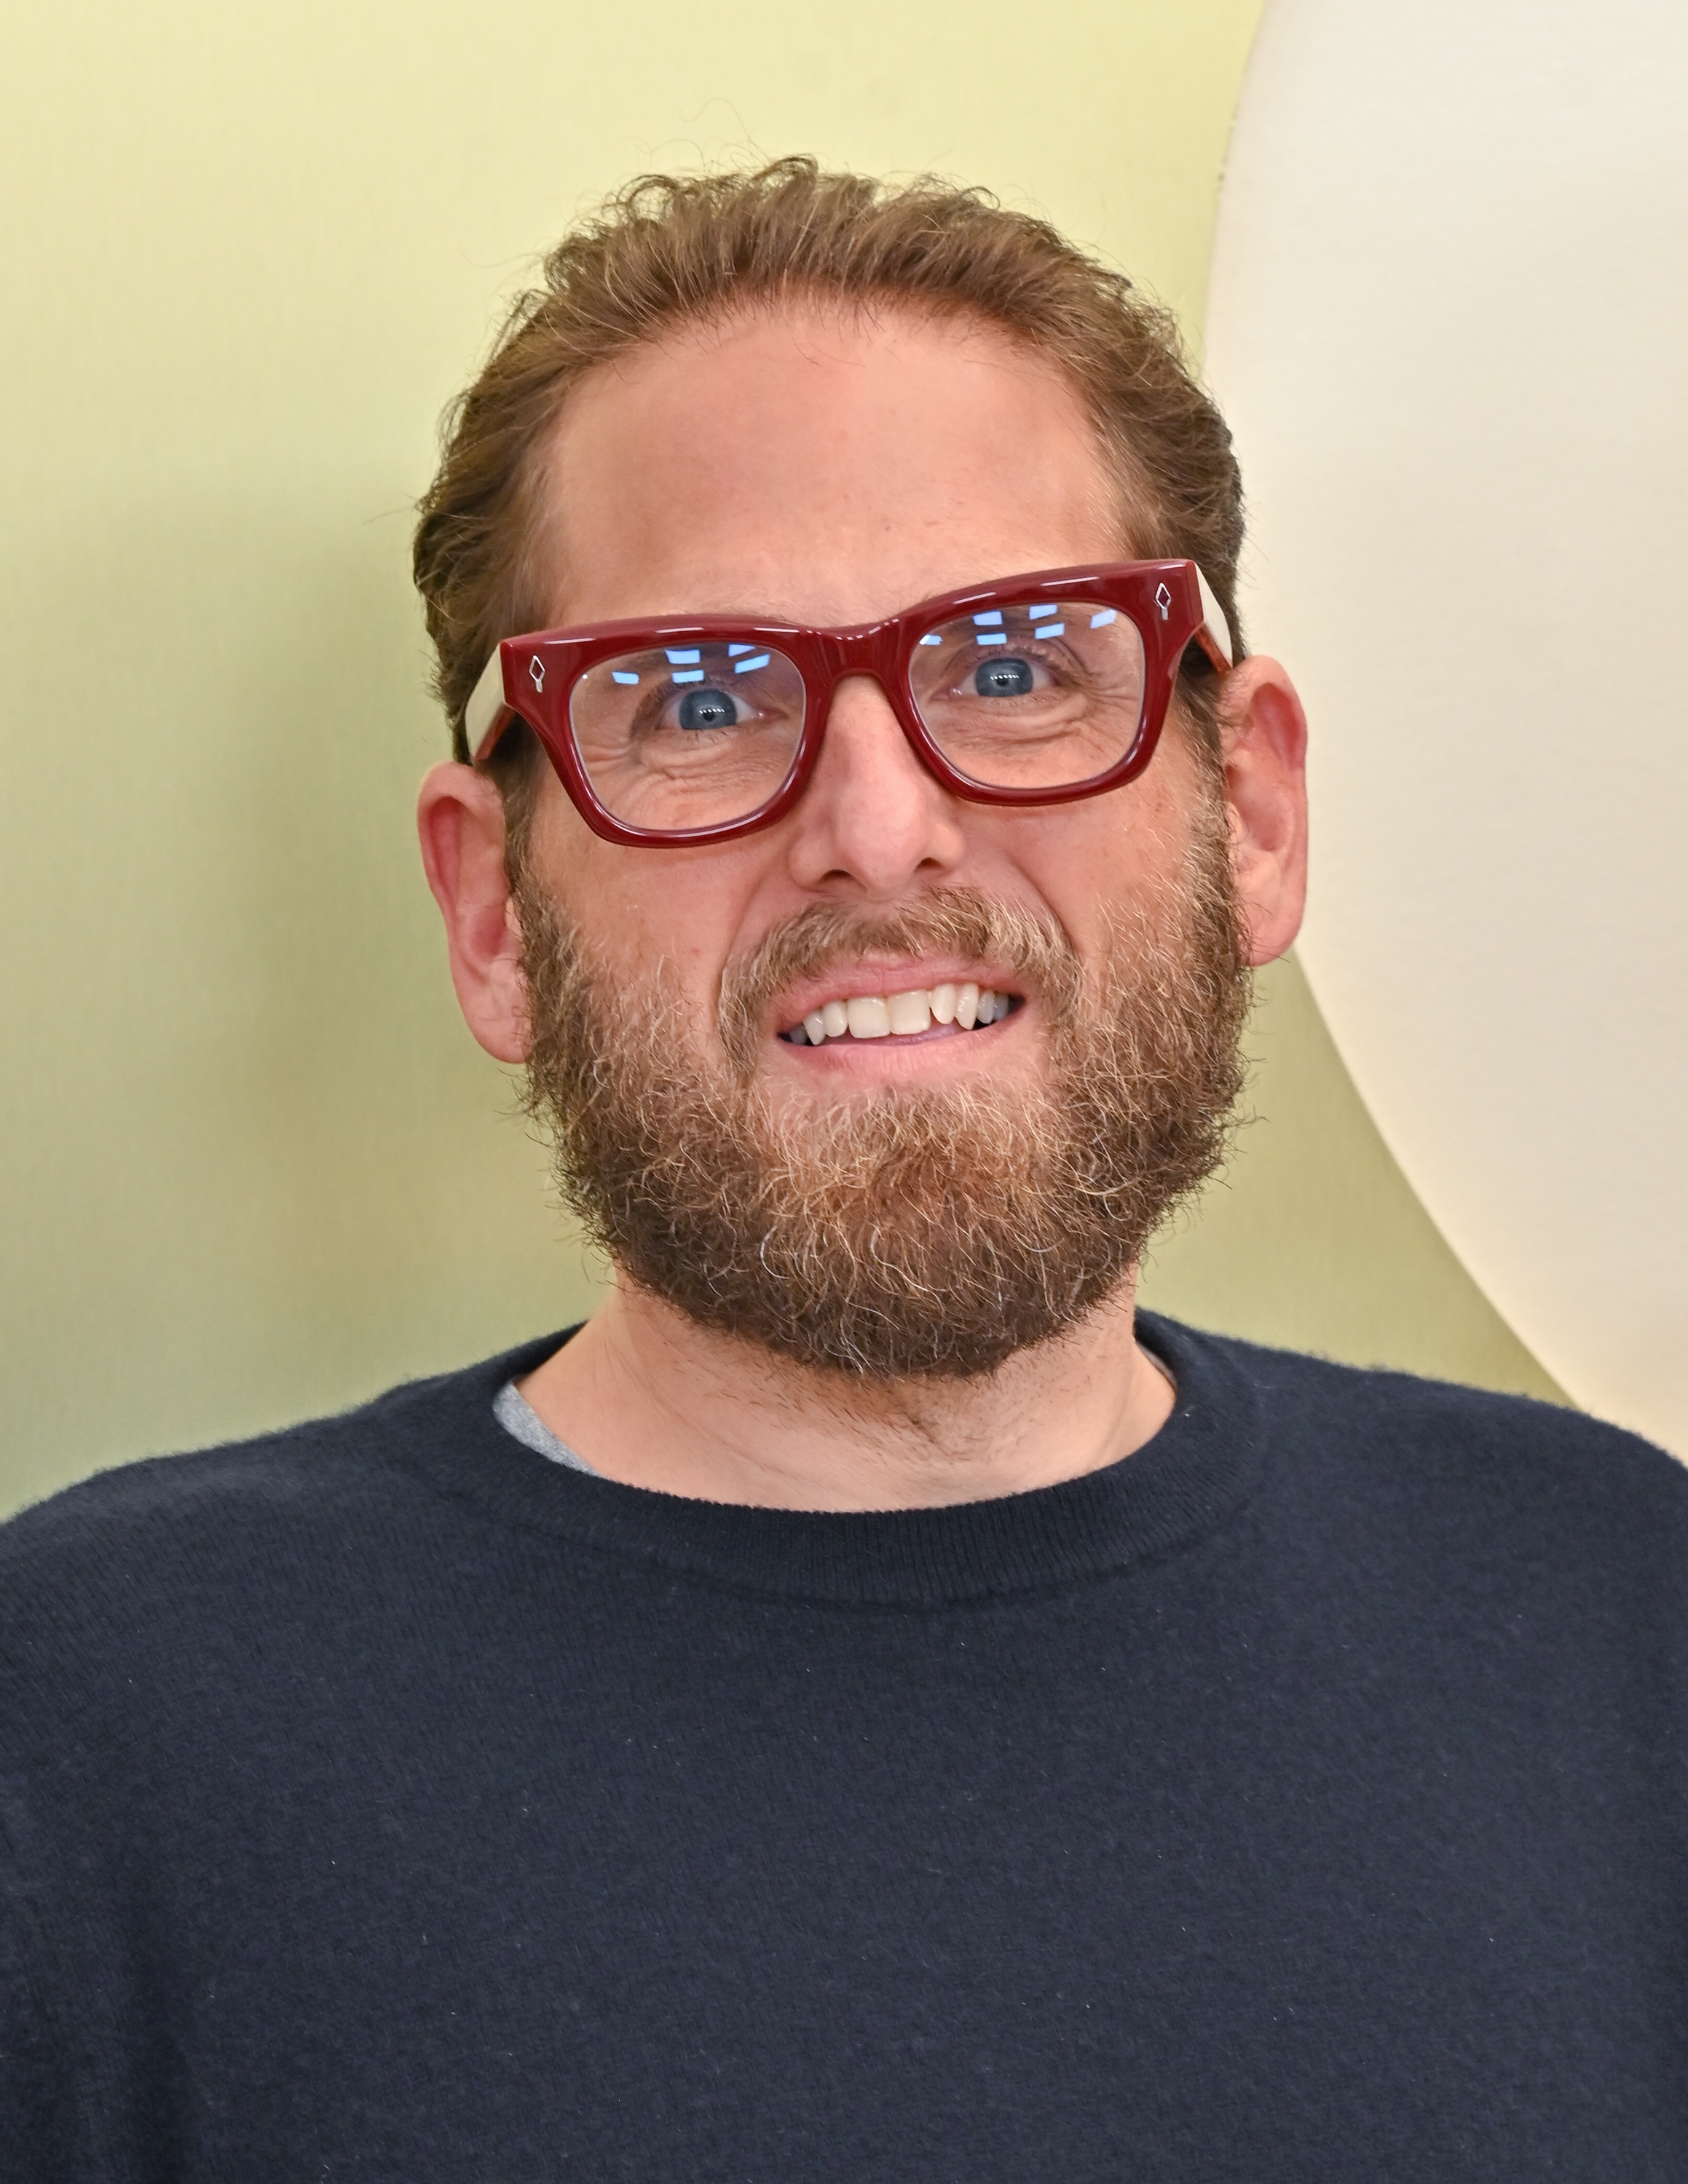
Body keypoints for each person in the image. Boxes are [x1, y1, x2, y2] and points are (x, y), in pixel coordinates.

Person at [3, 159, 1683, 2181]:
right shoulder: (75, 1740)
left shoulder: (1620, 1618)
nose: (880, 831)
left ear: (1251, 814)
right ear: (491, 910)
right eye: (700, 703)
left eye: (1018, 666)